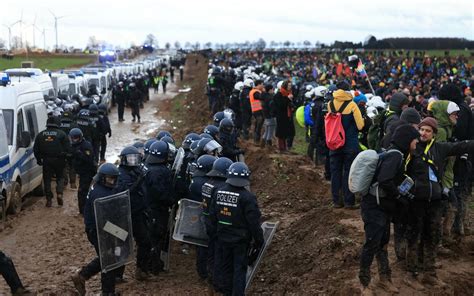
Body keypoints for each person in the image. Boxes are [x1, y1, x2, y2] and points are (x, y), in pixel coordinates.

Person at [404, 117, 474, 287]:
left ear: (434, 134)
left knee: (432, 236)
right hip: (415, 201)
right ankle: (411, 274)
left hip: (435, 200)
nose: (423, 133)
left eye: (428, 130)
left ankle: (430, 273)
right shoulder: (412, 148)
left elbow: (460, 146)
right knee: (414, 237)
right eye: (421, 129)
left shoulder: (439, 148)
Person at [359, 124, 420, 294]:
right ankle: (364, 284)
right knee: (372, 244)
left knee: (383, 243)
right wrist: (400, 196)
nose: (416, 144)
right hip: (374, 207)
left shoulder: (395, 153)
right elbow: (385, 180)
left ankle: (385, 279)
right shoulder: (395, 156)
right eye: (415, 140)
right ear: (407, 140)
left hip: (382, 206)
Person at [209, 162, 264, 296]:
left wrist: (215, 234)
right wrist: (259, 240)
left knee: (226, 268)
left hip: (222, 237)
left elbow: (212, 216)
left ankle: (226, 292)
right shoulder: (247, 197)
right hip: (240, 241)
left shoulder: (218, 192)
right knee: (239, 270)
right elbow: (253, 222)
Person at [71, 163, 120, 296]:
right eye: (110, 179)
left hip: (102, 227)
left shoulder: (102, 188)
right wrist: (118, 232)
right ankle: (107, 292)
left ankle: (82, 276)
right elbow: (103, 218)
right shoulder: (99, 193)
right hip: (99, 229)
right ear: (102, 178)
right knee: (109, 259)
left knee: (107, 257)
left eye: (114, 179)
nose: (112, 181)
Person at [116, 146, 151, 281]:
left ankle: (141, 270)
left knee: (145, 241)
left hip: (138, 214)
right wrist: (139, 181)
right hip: (124, 215)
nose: (133, 161)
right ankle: (117, 275)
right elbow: (125, 193)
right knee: (122, 245)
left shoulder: (137, 170)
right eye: (131, 158)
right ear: (124, 159)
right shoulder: (120, 174)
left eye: (135, 158)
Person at [327, 82, 364, 208]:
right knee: (349, 172)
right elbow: (360, 126)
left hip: (334, 143)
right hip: (350, 144)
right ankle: (349, 202)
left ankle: (336, 201)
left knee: (335, 172)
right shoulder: (352, 105)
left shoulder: (330, 104)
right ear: (348, 91)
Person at [201, 157, 233, 292]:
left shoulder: (207, 184)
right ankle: (217, 281)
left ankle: (210, 275)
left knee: (210, 250)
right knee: (218, 254)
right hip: (216, 225)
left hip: (207, 221)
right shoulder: (220, 188)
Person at [144, 141, 176, 274]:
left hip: (147, 208)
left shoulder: (146, 166)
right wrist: (171, 200)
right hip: (157, 210)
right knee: (156, 238)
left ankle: (152, 264)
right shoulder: (160, 172)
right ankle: (153, 267)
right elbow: (160, 193)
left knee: (152, 237)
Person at [188, 155, 217, 280]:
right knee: (206, 245)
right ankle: (205, 273)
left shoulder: (196, 179)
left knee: (201, 245)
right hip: (204, 215)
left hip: (197, 215)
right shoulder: (203, 183)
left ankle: (202, 271)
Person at [33, 117, 70, 207]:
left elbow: (36, 149)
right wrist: (67, 159)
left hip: (46, 160)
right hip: (59, 160)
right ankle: (59, 193)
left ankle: (49, 200)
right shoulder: (62, 134)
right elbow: (68, 148)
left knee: (47, 180)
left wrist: (39, 160)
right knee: (60, 177)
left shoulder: (40, 135)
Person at [69, 128, 97, 214]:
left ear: (80, 137)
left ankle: (84, 211)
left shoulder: (86, 145)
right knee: (83, 191)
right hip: (81, 172)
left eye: (76, 138)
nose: (74, 140)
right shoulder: (73, 146)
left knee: (82, 191)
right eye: (73, 138)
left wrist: (80, 154)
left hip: (88, 171)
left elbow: (89, 159)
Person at [274, 80, 295, 152]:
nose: (290, 87)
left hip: (288, 116)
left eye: (290, 85)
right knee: (281, 133)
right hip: (281, 116)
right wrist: (288, 99)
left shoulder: (289, 94)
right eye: (289, 85)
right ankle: (281, 148)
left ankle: (286, 147)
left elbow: (289, 104)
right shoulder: (278, 95)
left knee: (287, 132)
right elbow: (281, 105)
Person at [249, 80, 265, 145]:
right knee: (259, 125)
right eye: (262, 84)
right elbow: (261, 97)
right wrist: (264, 92)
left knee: (258, 125)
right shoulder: (255, 92)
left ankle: (256, 139)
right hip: (257, 110)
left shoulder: (255, 91)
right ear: (258, 85)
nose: (263, 85)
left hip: (256, 109)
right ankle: (256, 140)